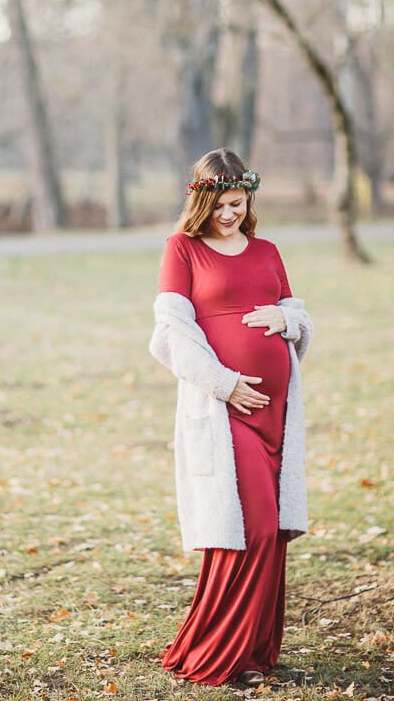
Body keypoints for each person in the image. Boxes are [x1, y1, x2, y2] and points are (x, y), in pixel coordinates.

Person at [151, 147, 310, 687]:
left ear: (249, 198)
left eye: (237, 203)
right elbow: (172, 333)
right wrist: (225, 384)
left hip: (277, 416)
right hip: (225, 413)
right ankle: (217, 647)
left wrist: (285, 318)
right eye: (219, 204)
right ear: (200, 200)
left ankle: (255, 649)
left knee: (272, 531)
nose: (228, 214)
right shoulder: (183, 250)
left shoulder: (267, 250)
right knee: (250, 526)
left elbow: (297, 313)